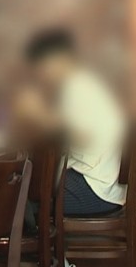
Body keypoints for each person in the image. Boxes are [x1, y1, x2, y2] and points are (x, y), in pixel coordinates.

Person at [15, 28, 128, 217]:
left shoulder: (77, 86)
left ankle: (32, 227)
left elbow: (80, 135)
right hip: (106, 186)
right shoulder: (86, 82)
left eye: (40, 67)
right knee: (23, 192)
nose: (41, 75)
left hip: (94, 190)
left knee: (15, 198)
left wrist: (38, 115)